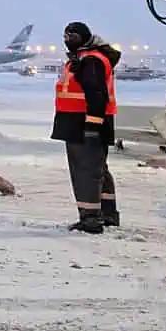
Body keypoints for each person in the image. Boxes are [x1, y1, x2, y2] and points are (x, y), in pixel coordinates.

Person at [53, 21, 121, 234]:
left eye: (71, 36)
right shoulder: (84, 59)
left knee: (85, 171)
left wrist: (92, 125)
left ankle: (90, 218)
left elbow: (96, 94)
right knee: (98, 169)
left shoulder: (91, 61)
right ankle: (107, 213)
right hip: (82, 122)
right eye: (65, 36)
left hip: (83, 123)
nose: (67, 40)